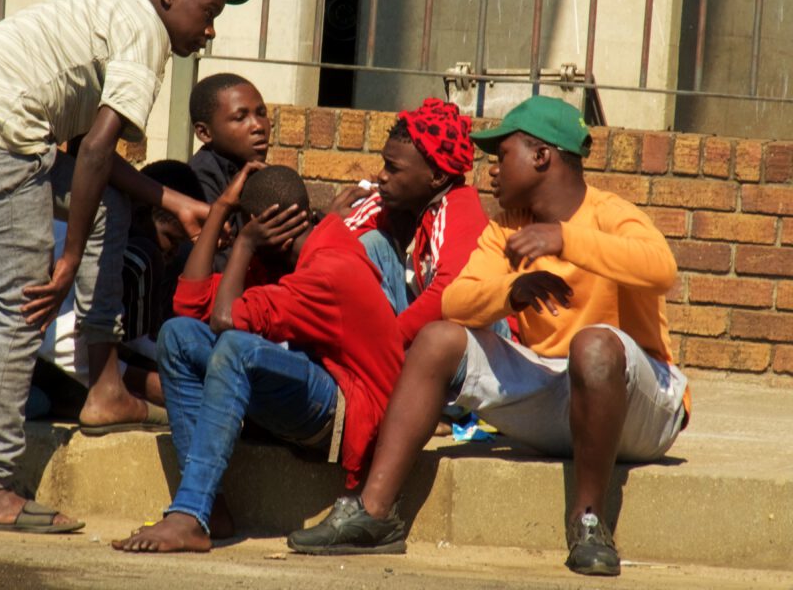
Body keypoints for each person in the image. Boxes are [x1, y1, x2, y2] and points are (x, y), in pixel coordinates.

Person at [0, 0, 255, 533]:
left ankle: (102, 388)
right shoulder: (144, 33)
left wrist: (175, 201)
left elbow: (87, 160)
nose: (210, 31)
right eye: (209, 12)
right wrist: (68, 257)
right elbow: (98, 150)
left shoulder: (112, 14)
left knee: (106, 208)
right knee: (32, 299)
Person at [288, 96, 690, 577]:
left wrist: (566, 239)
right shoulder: (506, 228)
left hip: (643, 408)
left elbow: (662, 270)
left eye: (502, 157)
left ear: (542, 156)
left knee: (595, 343)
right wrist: (511, 292)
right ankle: (374, 514)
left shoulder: (612, 213)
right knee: (438, 338)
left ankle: (588, 521)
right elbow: (457, 301)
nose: (491, 173)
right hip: (555, 395)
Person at [111, 165, 404, 553]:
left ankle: (188, 514)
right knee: (178, 337)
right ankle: (207, 509)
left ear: (258, 226)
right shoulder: (281, 262)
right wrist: (218, 210)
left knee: (236, 345)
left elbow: (224, 319)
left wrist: (244, 244)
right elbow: (189, 307)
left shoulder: (329, 269)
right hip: (310, 392)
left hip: (349, 416)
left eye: (241, 225)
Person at [0, 160, 204, 428]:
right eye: (171, 238)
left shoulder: (123, 246)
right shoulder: (109, 239)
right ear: (139, 216)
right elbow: (62, 344)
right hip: (23, 354)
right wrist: (150, 384)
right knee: (161, 411)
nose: (171, 253)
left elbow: (125, 339)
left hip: (51, 357)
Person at [339, 98, 488, 344]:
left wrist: (388, 344)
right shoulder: (396, 200)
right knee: (370, 245)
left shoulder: (461, 208)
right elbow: (340, 243)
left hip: (478, 339)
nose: (382, 176)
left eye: (393, 168)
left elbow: (448, 292)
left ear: (438, 177)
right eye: (385, 164)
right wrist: (330, 224)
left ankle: (377, 359)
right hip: (426, 328)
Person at [188, 72, 271, 270]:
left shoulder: (255, 171)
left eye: (261, 113)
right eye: (240, 118)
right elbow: (215, 264)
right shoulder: (199, 180)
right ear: (204, 133)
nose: (258, 126)